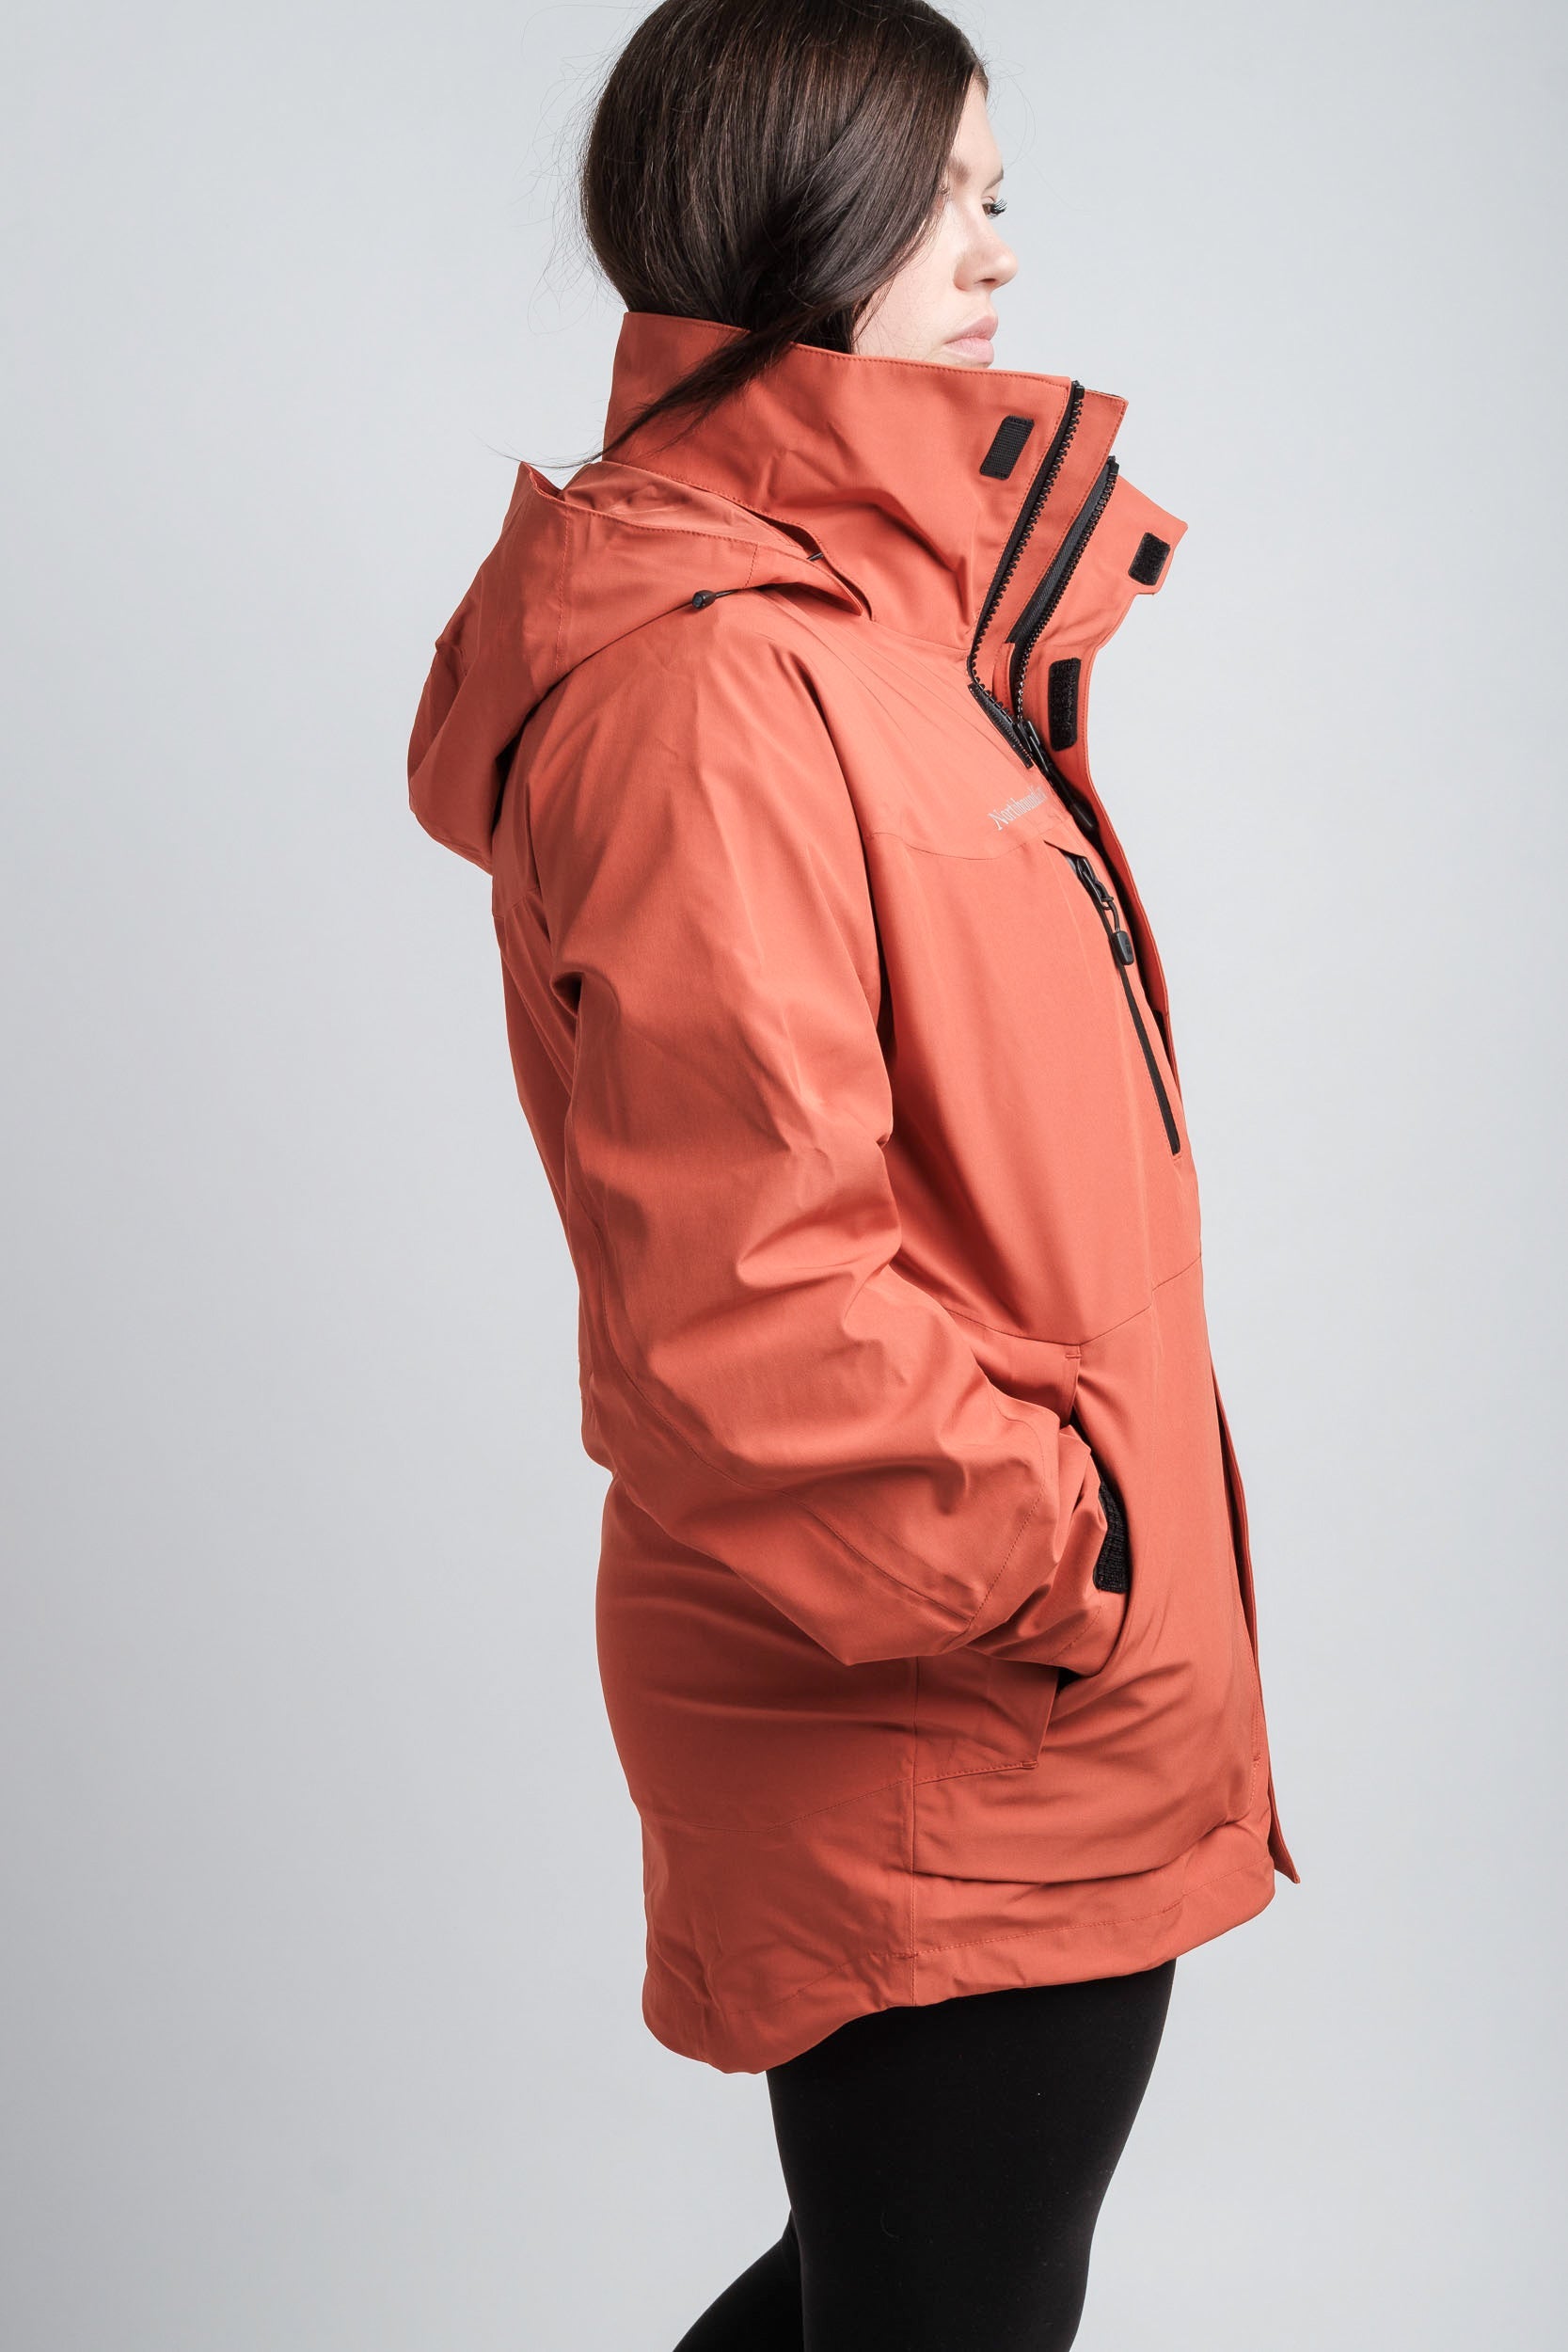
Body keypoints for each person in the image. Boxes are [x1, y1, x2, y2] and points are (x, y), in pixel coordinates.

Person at [407, 2, 1299, 2342]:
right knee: (931, 2305)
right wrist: (1075, 1551)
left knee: (893, 2292)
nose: (1000, 250)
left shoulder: (875, 638)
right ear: (803, 205)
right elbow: (749, 1303)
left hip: (1002, 1683)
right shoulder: (715, 684)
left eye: (1003, 197)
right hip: (942, 1692)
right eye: (953, 196)